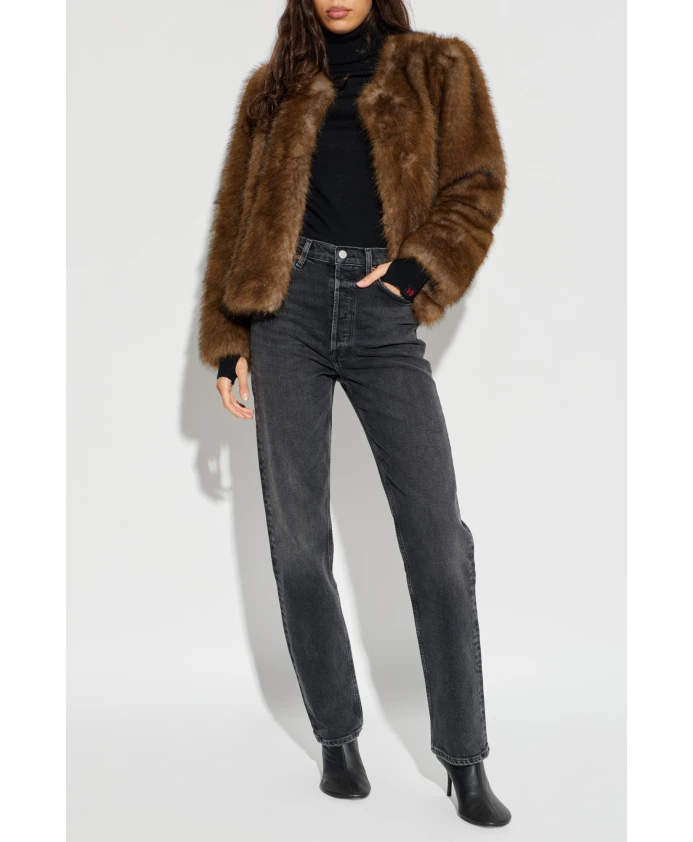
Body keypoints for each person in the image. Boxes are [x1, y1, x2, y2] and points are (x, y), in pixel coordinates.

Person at [198, 0, 510, 827]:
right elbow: (237, 215)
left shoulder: (438, 66)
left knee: (437, 540)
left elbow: (476, 184)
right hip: (286, 311)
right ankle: (335, 737)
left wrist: (414, 270)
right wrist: (228, 341)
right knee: (298, 541)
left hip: (381, 310)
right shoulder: (272, 87)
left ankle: (464, 757)